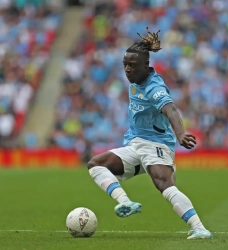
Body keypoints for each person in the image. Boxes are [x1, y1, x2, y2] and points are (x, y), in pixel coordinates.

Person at [87, 27, 213, 240]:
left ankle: (199, 228)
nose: (127, 69)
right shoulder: (135, 80)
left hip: (156, 145)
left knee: (163, 184)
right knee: (96, 164)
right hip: (136, 144)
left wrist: (180, 133)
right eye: (125, 65)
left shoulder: (154, 87)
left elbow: (171, 109)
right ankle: (125, 202)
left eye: (132, 66)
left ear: (146, 65)